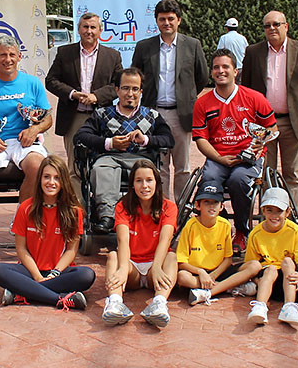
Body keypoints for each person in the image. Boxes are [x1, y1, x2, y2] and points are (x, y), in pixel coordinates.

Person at [192, 49, 276, 251]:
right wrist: (220, 158)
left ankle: (241, 231)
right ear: (211, 72)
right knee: (209, 178)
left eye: (225, 67)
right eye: (216, 67)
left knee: (238, 180)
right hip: (217, 157)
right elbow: (200, 139)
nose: (221, 71)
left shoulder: (254, 98)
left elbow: (272, 128)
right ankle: (215, 228)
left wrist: (261, 143)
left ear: (236, 71)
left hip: (249, 158)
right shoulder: (202, 102)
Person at [73, 68, 174, 233]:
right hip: (109, 157)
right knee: (100, 168)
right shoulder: (102, 113)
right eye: (126, 88)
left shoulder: (152, 115)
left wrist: (146, 140)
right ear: (117, 90)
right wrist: (109, 142)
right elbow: (81, 136)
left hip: (141, 159)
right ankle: (107, 216)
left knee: (147, 172)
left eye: (135, 89)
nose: (130, 93)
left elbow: (168, 139)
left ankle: (146, 215)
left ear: (141, 92)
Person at [0, 155, 96, 310]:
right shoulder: (26, 208)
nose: (51, 182)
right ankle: (59, 299)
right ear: (39, 179)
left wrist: (56, 272)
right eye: (46, 177)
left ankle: (23, 292)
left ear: (63, 182)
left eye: (57, 178)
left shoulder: (74, 211)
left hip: (59, 272)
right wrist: (37, 276)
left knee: (86, 275)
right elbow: (21, 249)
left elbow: (71, 250)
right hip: (30, 270)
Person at [240, 10, 298, 210]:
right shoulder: (254, 52)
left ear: (286, 26)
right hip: (263, 124)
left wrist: (295, 105)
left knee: (292, 175)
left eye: (276, 24)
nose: (272, 29)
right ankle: (269, 220)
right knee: (266, 173)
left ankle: (294, 220)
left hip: (293, 122)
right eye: (267, 25)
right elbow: (247, 86)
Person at [131, 0, 208, 200]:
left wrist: (186, 97)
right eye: (162, 19)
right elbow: (136, 76)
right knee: (159, 165)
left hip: (181, 114)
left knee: (182, 166)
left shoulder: (192, 45)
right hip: (154, 115)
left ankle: (181, 209)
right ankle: (162, 207)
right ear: (156, 21)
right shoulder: (144, 47)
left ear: (179, 20)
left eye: (171, 19)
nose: (167, 23)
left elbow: (202, 77)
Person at [0, 35, 52, 202]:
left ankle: (21, 220)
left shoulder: (33, 83)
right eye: (3, 55)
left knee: (37, 167)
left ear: (19, 56)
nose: (8, 60)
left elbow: (47, 118)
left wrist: (34, 129)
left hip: (25, 143)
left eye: (12, 55)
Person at [46, 12, 122, 192]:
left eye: (93, 27)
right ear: (79, 29)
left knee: (101, 166)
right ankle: (80, 213)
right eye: (85, 27)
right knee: (74, 167)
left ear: (100, 30)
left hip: (101, 118)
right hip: (74, 117)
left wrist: (97, 96)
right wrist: (72, 94)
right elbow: (51, 80)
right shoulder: (65, 53)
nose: (89, 31)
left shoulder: (112, 56)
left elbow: (118, 86)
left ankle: (99, 210)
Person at [102, 160, 179, 328]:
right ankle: (115, 303)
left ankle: (159, 303)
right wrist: (123, 268)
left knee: (172, 257)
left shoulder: (169, 207)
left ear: (157, 183)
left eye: (149, 180)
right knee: (113, 256)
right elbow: (122, 240)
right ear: (132, 185)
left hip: (154, 267)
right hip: (132, 266)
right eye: (139, 181)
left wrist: (157, 267)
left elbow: (165, 240)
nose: (144, 185)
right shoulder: (123, 206)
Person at [176, 181, 262, 306]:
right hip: (197, 273)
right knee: (182, 277)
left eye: (215, 202)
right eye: (207, 202)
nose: (212, 207)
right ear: (198, 205)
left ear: (221, 206)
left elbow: (228, 259)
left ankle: (209, 291)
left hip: (219, 271)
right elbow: (182, 262)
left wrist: (214, 275)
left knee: (255, 266)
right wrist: (201, 272)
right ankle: (228, 287)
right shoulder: (190, 226)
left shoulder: (225, 225)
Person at [244, 188, 298, 328]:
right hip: (267, 282)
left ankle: (289, 307)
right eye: (269, 210)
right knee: (271, 268)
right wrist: (257, 281)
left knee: (288, 262)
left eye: (279, 211)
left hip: (289, 282)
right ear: (263, 211)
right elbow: (251, 265)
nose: (274, 215)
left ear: (287, 212)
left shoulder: (294, 231)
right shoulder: (256, 234)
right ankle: (260, 306)